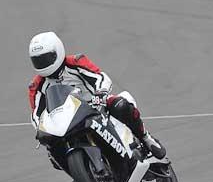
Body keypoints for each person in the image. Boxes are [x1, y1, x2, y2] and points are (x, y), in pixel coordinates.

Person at [28, 30, 166, 159]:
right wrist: (41, 130)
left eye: (46, 59)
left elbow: (100, 77)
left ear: (57, 51)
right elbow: (36, 114)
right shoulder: (37, 85)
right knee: (53, 150)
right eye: (38, 61)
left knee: (120, 105)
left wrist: (100, 93)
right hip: (67, 122)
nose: (43, 64)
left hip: (96, 106)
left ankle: (146, 138)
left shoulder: (75, 62)